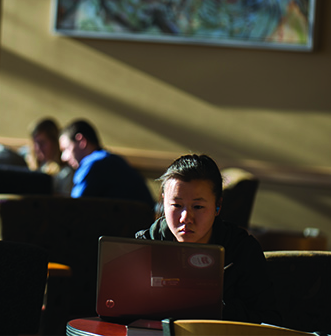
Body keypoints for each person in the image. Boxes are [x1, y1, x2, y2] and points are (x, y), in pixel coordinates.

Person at [135, 154, 281, 325]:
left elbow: (268, 319)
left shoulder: (242, 250)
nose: (185, 218)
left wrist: (212, 308)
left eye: (198, 207)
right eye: (176, 205)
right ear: (163, 203)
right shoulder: (145, 244)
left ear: (217, 206)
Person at [59, 119, 155, 207]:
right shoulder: (114, 160)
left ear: (81, 141)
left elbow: (73, 209)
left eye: (66, 149)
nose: (63, 157)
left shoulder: (92, 165)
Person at [23, 117, 74, 196]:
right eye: (35, 143)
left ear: (55, 143)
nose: (38, 148)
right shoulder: (36, 167)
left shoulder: (66, 173)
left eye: (42, 143)